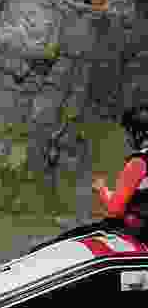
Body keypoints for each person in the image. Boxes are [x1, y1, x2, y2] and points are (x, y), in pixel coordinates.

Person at [35, 104, 148, 250]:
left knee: (59, 244)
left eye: (128, 133)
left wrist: (102, 189)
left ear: (137, 133)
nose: (127, 138)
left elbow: (115, 209)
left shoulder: (138, 162)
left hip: (134, 231)